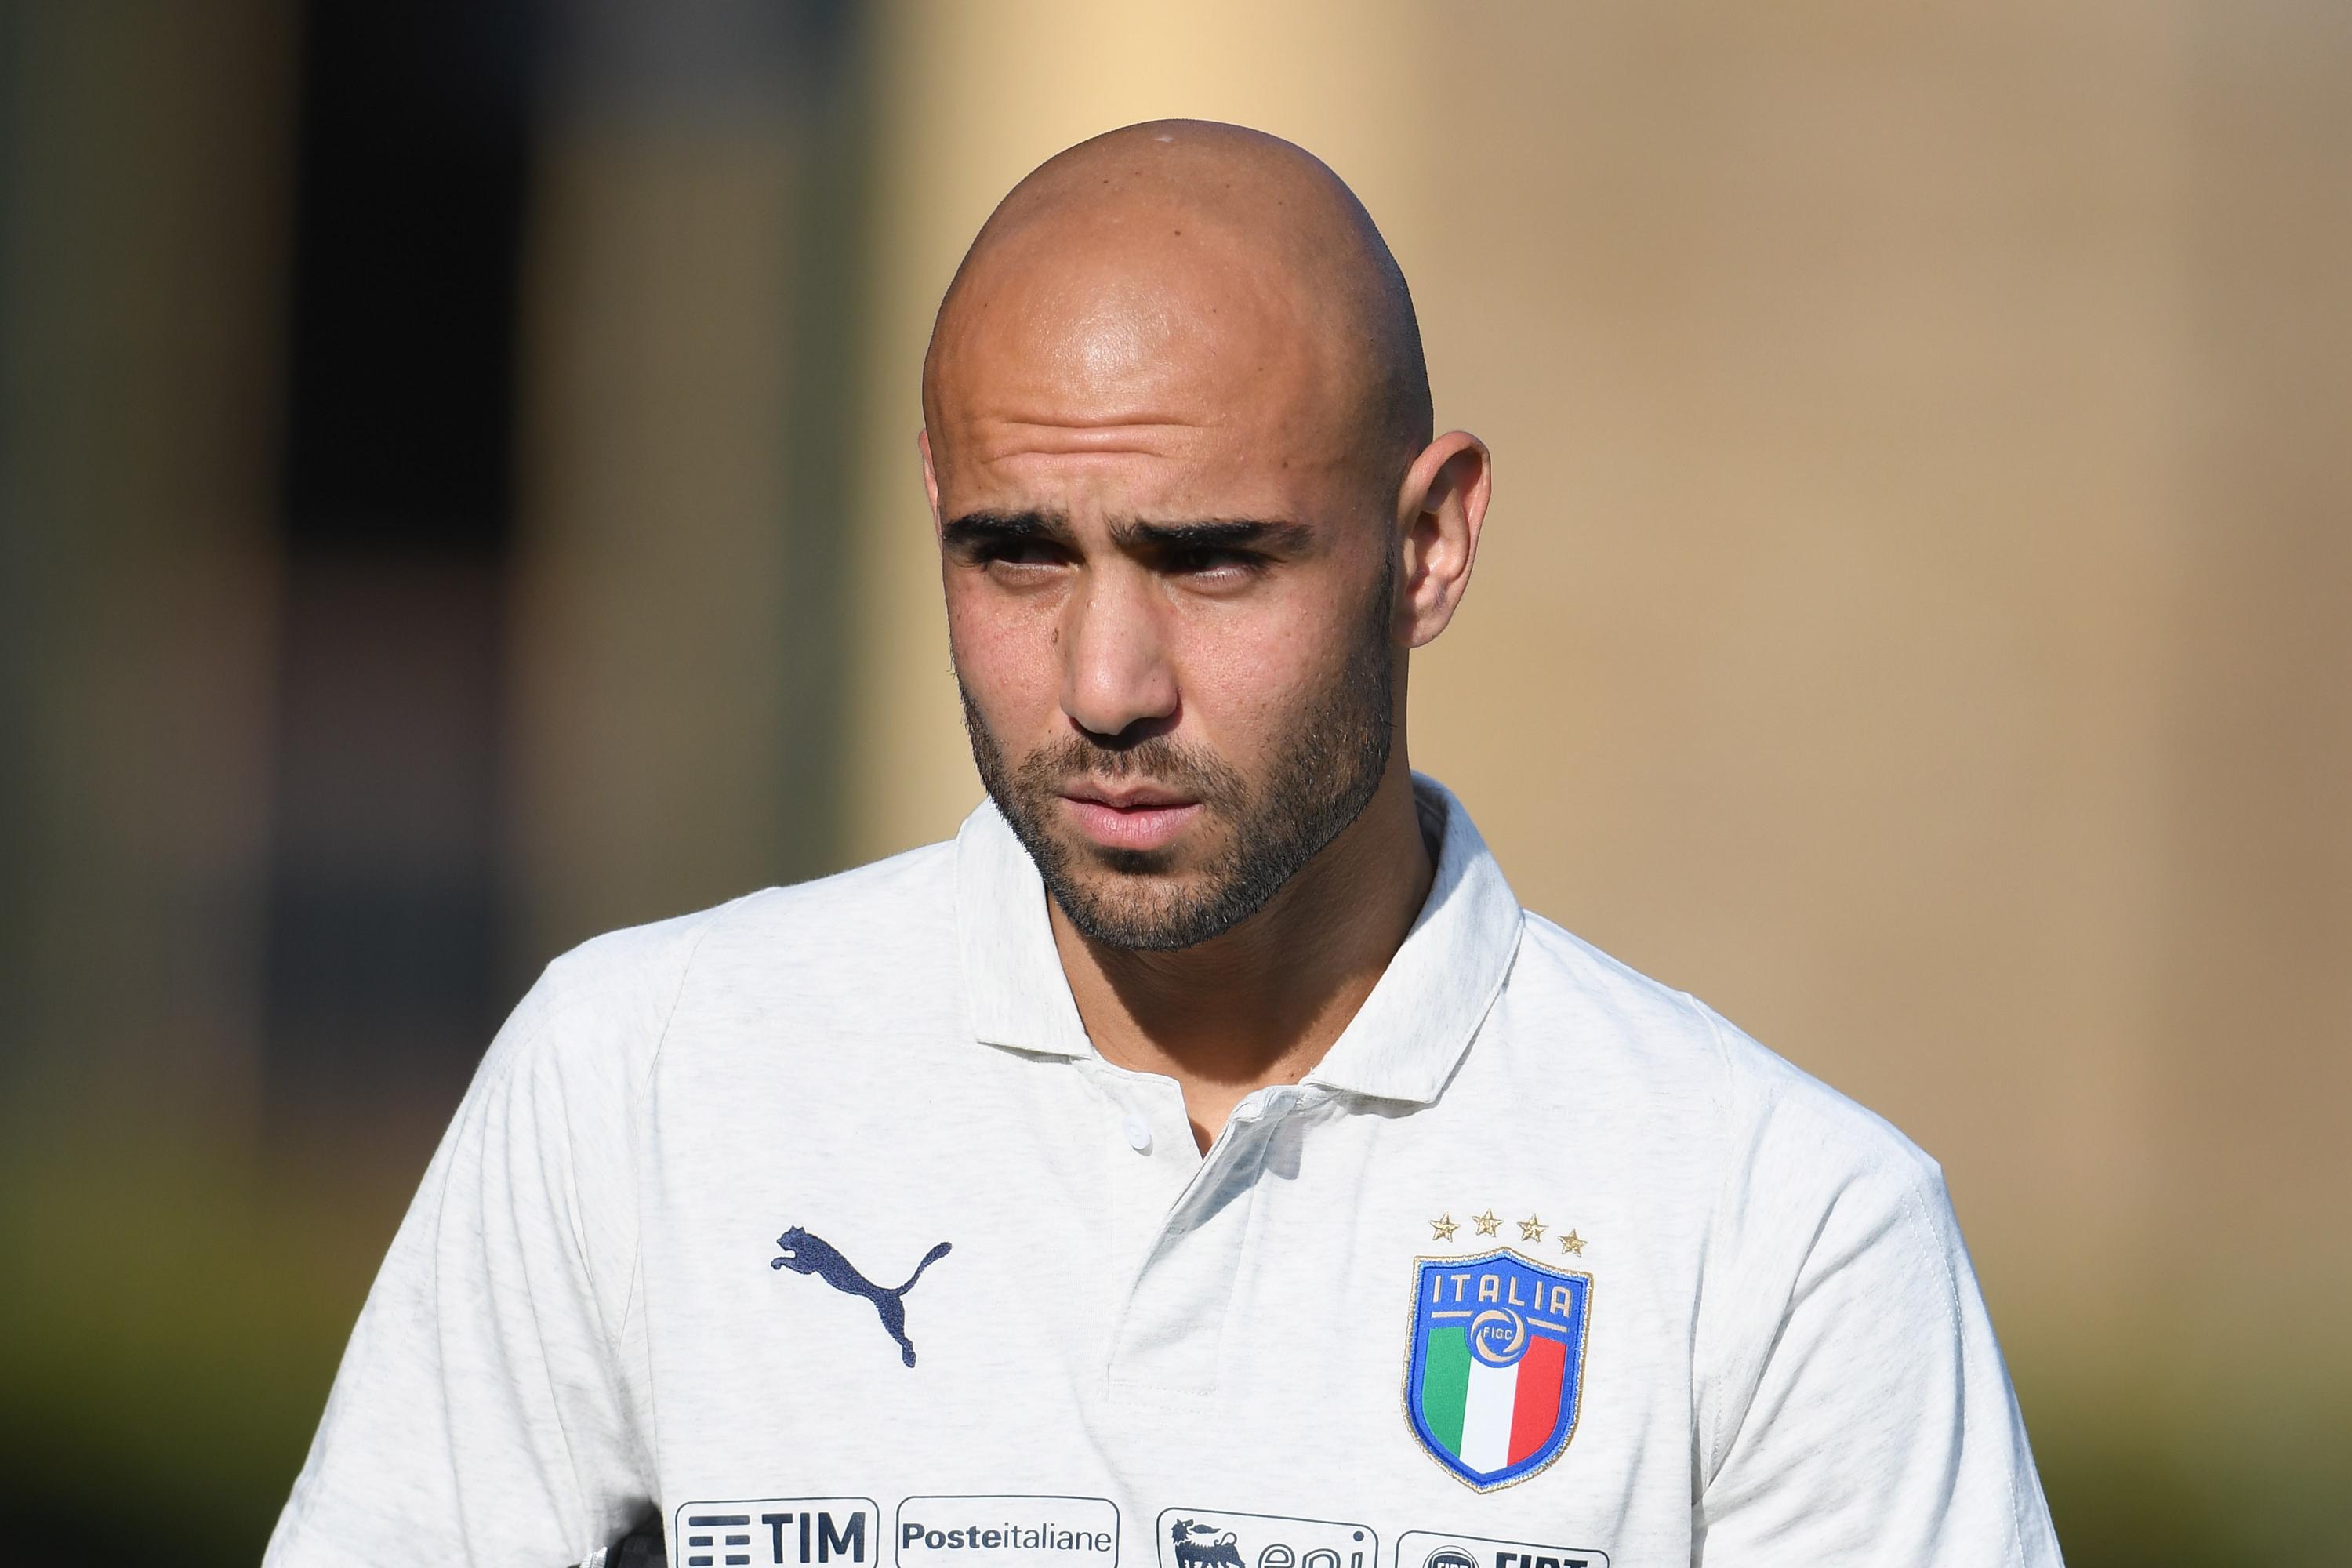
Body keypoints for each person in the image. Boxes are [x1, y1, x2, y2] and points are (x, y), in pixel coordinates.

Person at [265, 121, 2062, 1568]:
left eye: (1214, 558)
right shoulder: (642, 1080)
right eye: (1017, 552)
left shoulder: (1776, 1227)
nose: (1106, 681)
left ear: (1429, 541)